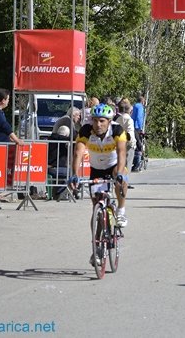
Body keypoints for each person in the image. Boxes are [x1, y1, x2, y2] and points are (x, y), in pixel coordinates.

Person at [69, 103, 129, 265]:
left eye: (102, 121)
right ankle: (97, 247)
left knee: (121, 176)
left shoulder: (117, 130)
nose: (98, 124)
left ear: (109, 121)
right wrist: (74, 175)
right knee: (97, 207)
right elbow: (78, 153)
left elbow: (122, 152)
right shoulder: (86, 131)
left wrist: (120, 173)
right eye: (95, 120)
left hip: (114, 165)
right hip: (96, 170)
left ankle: (121, 210)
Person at [47, 125, 72, 200]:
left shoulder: (50, 139)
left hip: (50, 167)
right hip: (54, 168)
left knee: (65, 173)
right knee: (73, 173)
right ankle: (60, 193)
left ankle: (57, 192)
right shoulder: (63, 141)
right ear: (66, 135)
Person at [115, 100, 136, 183]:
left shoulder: (118, 119)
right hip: (128, 144)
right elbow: (130, 133)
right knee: (128, 164)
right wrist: (132, 143)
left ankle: (119, 179)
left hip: (119, 143)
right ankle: (125, 182)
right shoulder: (129, 120)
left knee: (120, 163)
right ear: (130, 110)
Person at [131, 95, 146, 172]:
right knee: (139, 144)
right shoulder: (140, 107)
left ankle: (134, 163)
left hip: (132, 125)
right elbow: (139, 117)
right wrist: (141, 128)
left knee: (134, 143)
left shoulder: (134, 105)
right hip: (137, 127)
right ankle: (137, 165)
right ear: (142, 101)